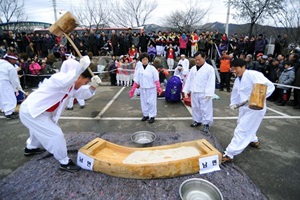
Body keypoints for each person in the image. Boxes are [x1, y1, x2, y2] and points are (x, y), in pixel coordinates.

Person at [19, 56, 102, 172]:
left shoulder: (72, 86)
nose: (84, 85)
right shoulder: (59, 78)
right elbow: (65, 81)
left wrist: (93, 86)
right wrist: (80, 69)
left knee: (38, 131)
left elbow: (82, 93)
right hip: (31, 111)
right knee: (55, 135)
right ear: (78, 76)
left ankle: (30, 148)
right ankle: (64, 162)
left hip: (41, 113)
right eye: (85, 82)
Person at [222, 58, 275, 163]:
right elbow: (235, 93)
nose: (234, 71)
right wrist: (233, 104)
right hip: (244, 107)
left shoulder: (253, 74)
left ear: (243, 67)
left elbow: (270, 87)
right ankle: (253, 140)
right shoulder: (238, 79)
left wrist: (257, 97)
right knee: (243, 124)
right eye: (233, 69)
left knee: (242, 129)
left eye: (236, 68)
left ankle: (229, 153)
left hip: (255, 108)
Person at [182, 51, 215, 133]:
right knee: (195, 107)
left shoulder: (209, 69)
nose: (197, 61)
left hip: (204, 92)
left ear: (204, 57)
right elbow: (189, 80)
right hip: (194, 91)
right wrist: (186, 91)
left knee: (205, 109)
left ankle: (206, 124)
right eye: (196, 60)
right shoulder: (193, 69)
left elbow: (211, 82)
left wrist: (209, 93)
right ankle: (197, 120)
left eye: (199, 59)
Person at [129, 53, 162, 123]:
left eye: (146, 59)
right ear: (141, 60)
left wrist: (159, 87)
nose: (144, 61)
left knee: (151, 102)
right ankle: (146, 115)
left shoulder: (152, 69)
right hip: (143, 88)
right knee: (143, 102)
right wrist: (133, 90)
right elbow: (136, 80)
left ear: (148, 60)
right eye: (143, 59)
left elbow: (156, 79)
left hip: (151, 88)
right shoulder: (139, 69)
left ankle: (152, 116)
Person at [0, 53, 23, 119]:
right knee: (8, 97)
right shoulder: (10, 66)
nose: (15, 61)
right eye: (14, 60)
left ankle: (5, 109)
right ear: (10, 59)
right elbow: (14, 79)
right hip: (4, 82)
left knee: (2, 97)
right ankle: (9, 112)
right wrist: (17, 87)